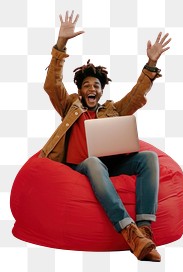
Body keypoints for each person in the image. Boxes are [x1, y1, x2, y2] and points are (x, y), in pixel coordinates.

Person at [39, 10, 171, 261]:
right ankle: (128, 230)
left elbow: (135, 97)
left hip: (111, 165)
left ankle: (144, 229)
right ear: (79, 91)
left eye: (96, 86)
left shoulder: (112, 110)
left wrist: (150, 65)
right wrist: (61, 44)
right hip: (82, 167)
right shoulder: (70, 107)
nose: (92, 88)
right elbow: (52, 85)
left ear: (101, 92)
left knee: (149, 158)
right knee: (92, 161)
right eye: (86, 85)